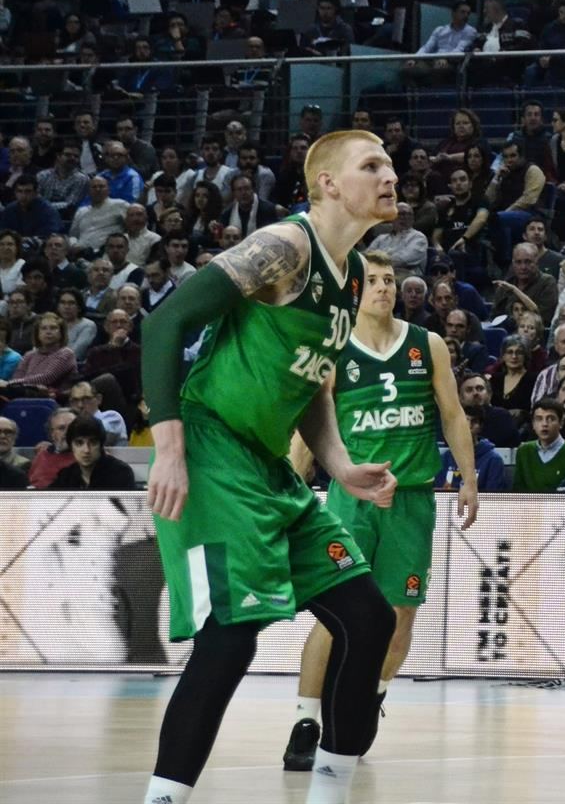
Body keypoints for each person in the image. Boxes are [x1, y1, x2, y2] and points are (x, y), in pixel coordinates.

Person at [138, 130, 400, 804]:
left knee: (368, 617)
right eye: (372, 165)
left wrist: (338, 464)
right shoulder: (286, 246)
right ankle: (163, 799)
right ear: (329, 184)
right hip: (210, 447)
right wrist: (167, 448)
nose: (390, 174)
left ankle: (331, 791)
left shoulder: (353, 274)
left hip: (268, 467)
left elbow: (312, 381)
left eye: (390, 163)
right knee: (232, 636)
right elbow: (163, 326)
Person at [283, 250, 478, 773]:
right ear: (353, 290)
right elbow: (312, 427)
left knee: (399, 616)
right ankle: (305, 724)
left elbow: (453, 415)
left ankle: (367, 701)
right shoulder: (332, 348)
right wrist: (289, 487)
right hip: (352, 499)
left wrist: (469, 479)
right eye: (373, 280)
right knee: (333, 614)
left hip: (413, 499)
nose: (385, 287)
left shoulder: (427, 344)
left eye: (390, 280)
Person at [47, 414, 138, 490]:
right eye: (79, 443)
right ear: (71, 446)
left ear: (100, 445)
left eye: (93, 442)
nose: (86, 450)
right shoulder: (66, 476)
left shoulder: (121, 473)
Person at [511, 398, 565, 491]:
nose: (544, 424)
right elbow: (517, 490)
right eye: (539, 419)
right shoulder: (524, 450)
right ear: (533, 424)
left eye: (551, 419)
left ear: (561, 423)